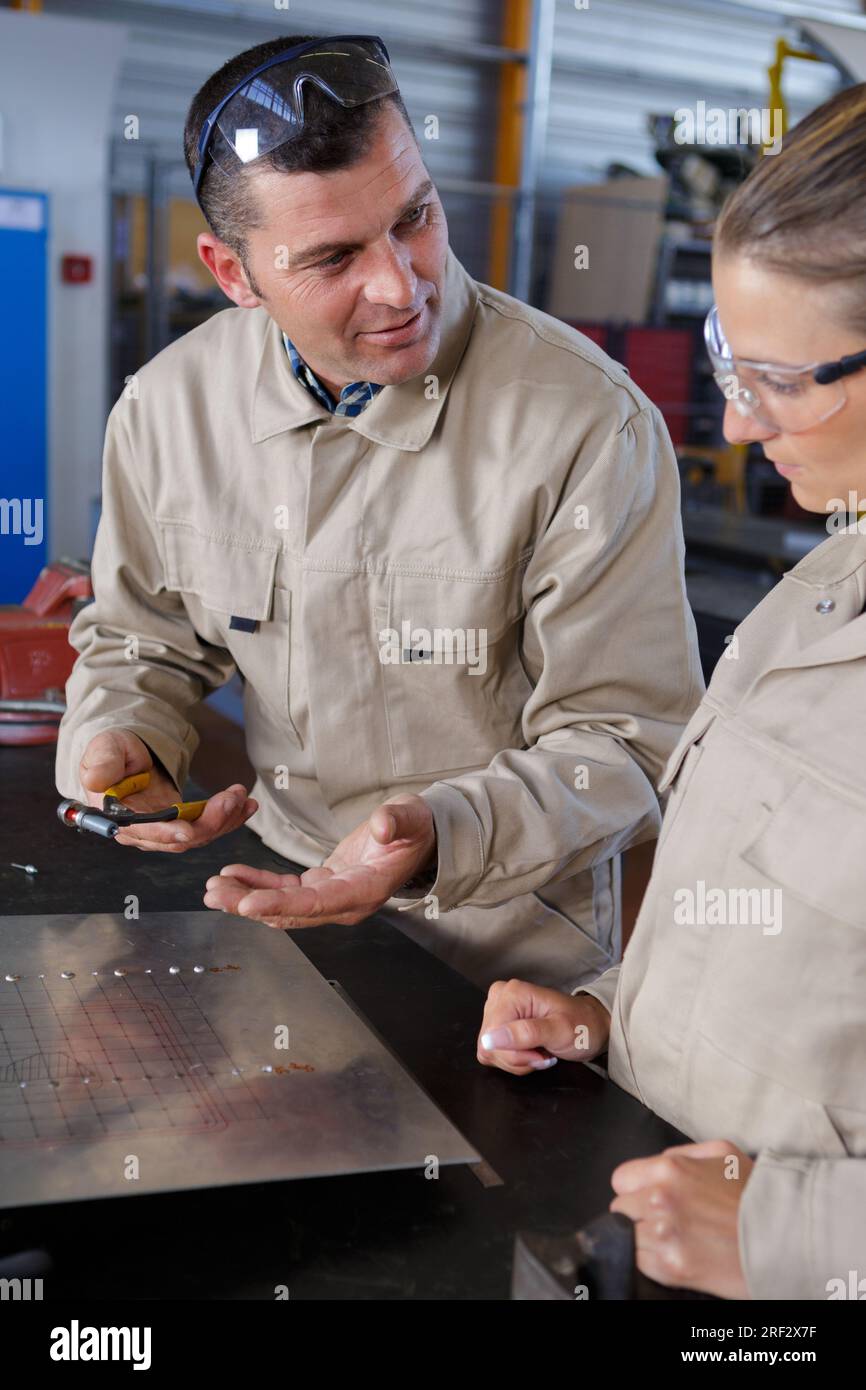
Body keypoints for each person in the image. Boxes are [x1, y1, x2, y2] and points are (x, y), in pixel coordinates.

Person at [55, 33, 702, 993]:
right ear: (233, 275)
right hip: (278, 897)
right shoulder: (166, 410)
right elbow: (142, 640)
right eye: (333, 257)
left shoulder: (587, 426)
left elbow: (627, 739)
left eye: (417, 218)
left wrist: (440, 831)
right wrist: (124, 741)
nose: (402, 285)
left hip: (519, 945)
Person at [477, 83, 866, 1299]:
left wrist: (796, 1236)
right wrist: (609, 1019)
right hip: (645, 1226)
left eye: (775, 380)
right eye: (723, 366)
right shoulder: (822, 581)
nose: (739, 423)